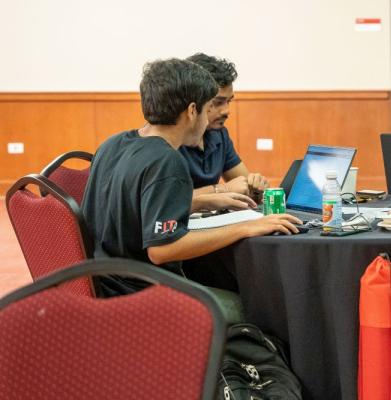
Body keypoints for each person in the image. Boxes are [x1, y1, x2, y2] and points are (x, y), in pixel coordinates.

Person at [82, 58, 301, 321]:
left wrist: (206, 202)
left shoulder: (113, 143)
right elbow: (163, 250)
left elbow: (132, 211)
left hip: (101, 284)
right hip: (140, 293)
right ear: (192, 110)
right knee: (257, 307)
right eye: (210, 107)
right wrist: (247, 227)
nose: (211, 117)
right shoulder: (166, 161)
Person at [180, 53, 270, 203]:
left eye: (229, 101)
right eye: (218, 102)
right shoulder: (170, 138)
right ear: (193, 103)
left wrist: (257, 189)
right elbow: (167, 201)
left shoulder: (219, 134)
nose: (226, 110)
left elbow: (245, 187)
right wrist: (222, 189)